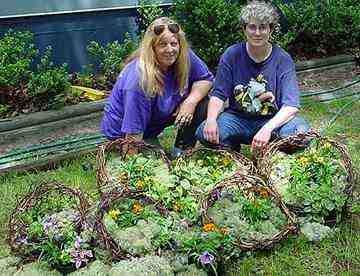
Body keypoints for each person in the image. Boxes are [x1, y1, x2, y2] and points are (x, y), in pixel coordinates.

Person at [196, 0, 309, 153]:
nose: (257, 33)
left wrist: (267, 129)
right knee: (204, 132)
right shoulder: (232, 55)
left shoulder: (283, 59)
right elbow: (218, 95)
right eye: (252, 27)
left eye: (263, 27)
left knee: (301, 133)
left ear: (270, 29)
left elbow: (291, 106)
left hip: (271, 120)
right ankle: (229, 148)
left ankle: (273, 151)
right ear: (244, 29)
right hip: (237, 119)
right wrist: (210, 120)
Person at [101, 17, 213, 155]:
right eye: (162, 44)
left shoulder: (183, 56)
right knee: (157, 167)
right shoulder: (139, 81)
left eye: (174, 43)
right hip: (124, 134)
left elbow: (205, 79)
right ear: (152, 48)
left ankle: (181, 152)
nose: (170, 49)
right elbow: (132, 134)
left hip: (153, 122)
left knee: (203, 102)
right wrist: (131, 166)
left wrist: (189, 102)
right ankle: (126, 151)